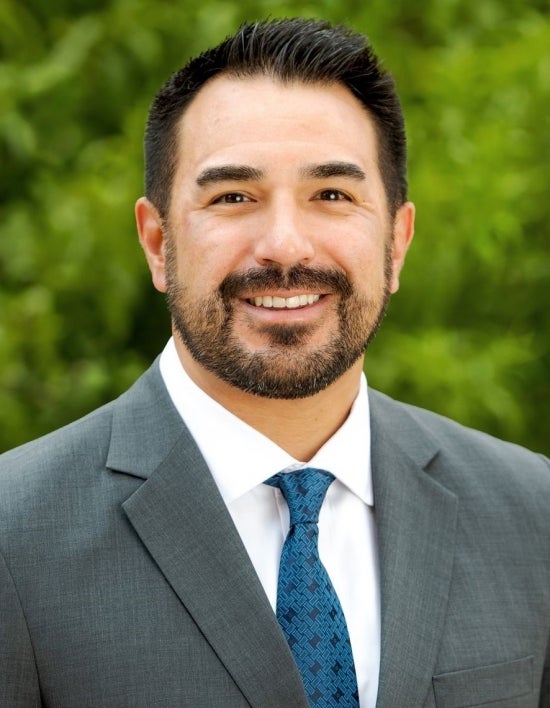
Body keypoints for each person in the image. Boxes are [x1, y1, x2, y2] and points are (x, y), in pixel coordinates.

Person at [0, 17, 548, 708]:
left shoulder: (533, 517)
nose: (285, 246)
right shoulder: (12, 537)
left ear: (398, 242)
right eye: (233, 197)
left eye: (332, 196)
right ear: (156, 242)